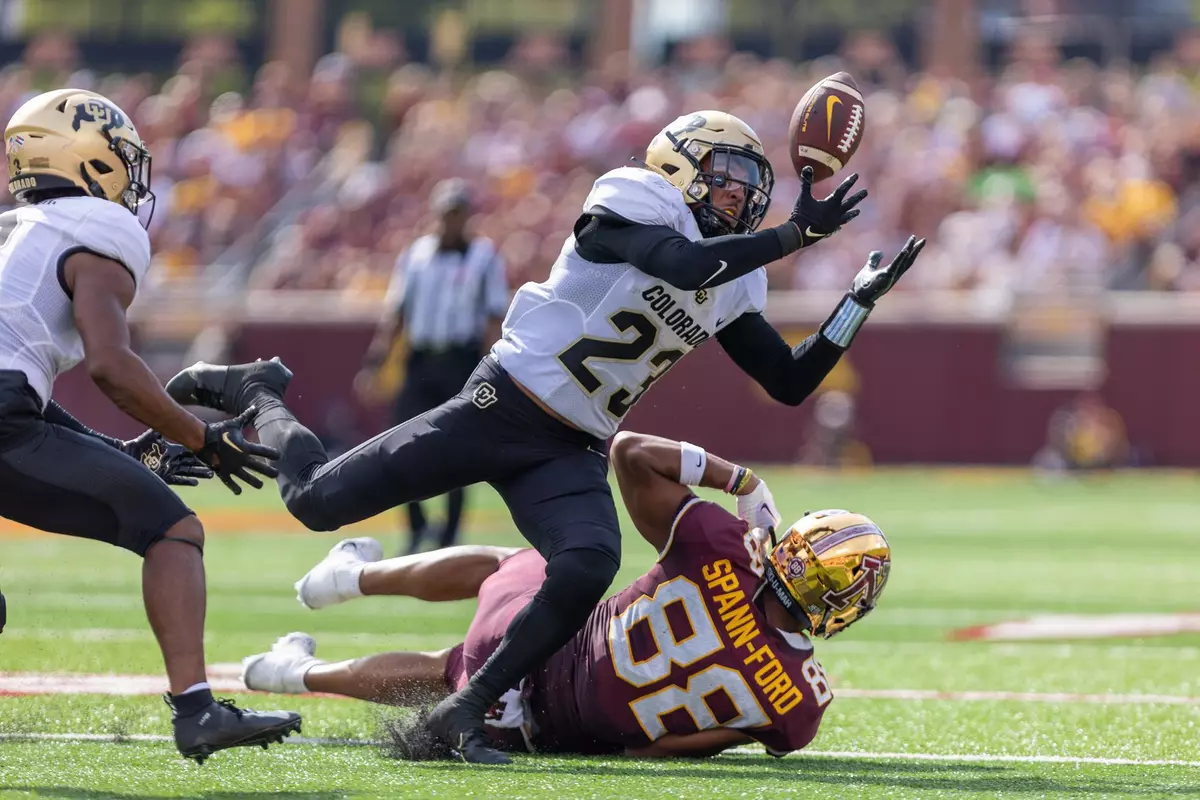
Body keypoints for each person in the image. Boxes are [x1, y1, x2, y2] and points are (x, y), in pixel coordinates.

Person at [165, 109, 921, 764]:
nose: (741, 194)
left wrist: (854, 304)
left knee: (591, 558)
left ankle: (468, 706)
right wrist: (793, 234)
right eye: (727, 174)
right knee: (317, 501)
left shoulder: (737, 274)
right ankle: (260, 390)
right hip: (503, 404)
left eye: (750, 185)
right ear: (677, 163)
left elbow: (787, 382)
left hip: (572, 444)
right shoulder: (632, 198)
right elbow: (681, 263)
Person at [240, 431, 891, 759]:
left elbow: (631, 451)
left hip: (534, 645)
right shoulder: (801, 707)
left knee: (518, 564)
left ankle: (348, 577)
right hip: (546, 731)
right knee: (445, 675)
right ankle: (289, 673)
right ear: (846, 605)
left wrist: (738, 479)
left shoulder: (726, 547)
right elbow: (662, 747)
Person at [0, 89, 301, 763]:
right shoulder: (92, 229)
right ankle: (197, 711)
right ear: (89, 160)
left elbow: (24, 394)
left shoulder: (16, 231)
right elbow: (112, 366)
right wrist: (201, 436)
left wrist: (120, 452)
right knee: (173, 530)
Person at [354, 179, 509, 555]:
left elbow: (492, 316)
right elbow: (398, 312)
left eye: (458, 213)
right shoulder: (416, 255)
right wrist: (377, 359)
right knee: (400, 444)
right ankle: (416, 525)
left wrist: (494, 368)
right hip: (421, 359)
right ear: (437, 214)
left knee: (456, 449)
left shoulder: (484, 257)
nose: (452, 220)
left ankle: (449, 533)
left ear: (467, 216)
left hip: (462, 360)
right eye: (447, 213)